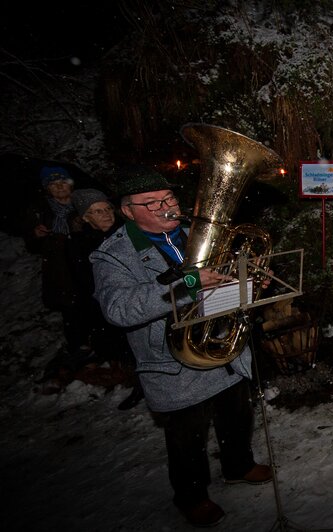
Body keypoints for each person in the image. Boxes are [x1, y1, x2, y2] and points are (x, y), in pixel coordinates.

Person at [91, 165, 272, 527]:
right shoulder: (112, 255)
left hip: (218, 345)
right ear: (127, 211)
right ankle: (191, 496)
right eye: (152, 203)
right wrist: (187, 283)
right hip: (171, 359)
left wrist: (246, 278)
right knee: (186, 435)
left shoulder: (195, 233)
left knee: (237, 412)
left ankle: (238, 465)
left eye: (169, 198)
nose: (165, 207)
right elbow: (119, 309)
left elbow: (220, 278)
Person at [71, 188, 143, 409]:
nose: (106, 214)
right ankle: (140, 385)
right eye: (97, 211)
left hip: (138, 298)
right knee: (127, 350)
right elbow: (84, 283)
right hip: (107, 305)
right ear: (85, 217)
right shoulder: (80, 244)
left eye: (107, 208)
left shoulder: (130, 232)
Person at [24, 166, 91, 390]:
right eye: (54, 184)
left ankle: (97, 342)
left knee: (91, 301)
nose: (59, 187)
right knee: (69, 307)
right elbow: (31, 242)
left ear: (71, 184)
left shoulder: (83, 203)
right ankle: (78, 346)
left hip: (85, 261)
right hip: (60, 266)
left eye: (63, 182)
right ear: (47, 189)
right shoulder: (42, 211)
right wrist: (36, 235)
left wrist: (82, 229)